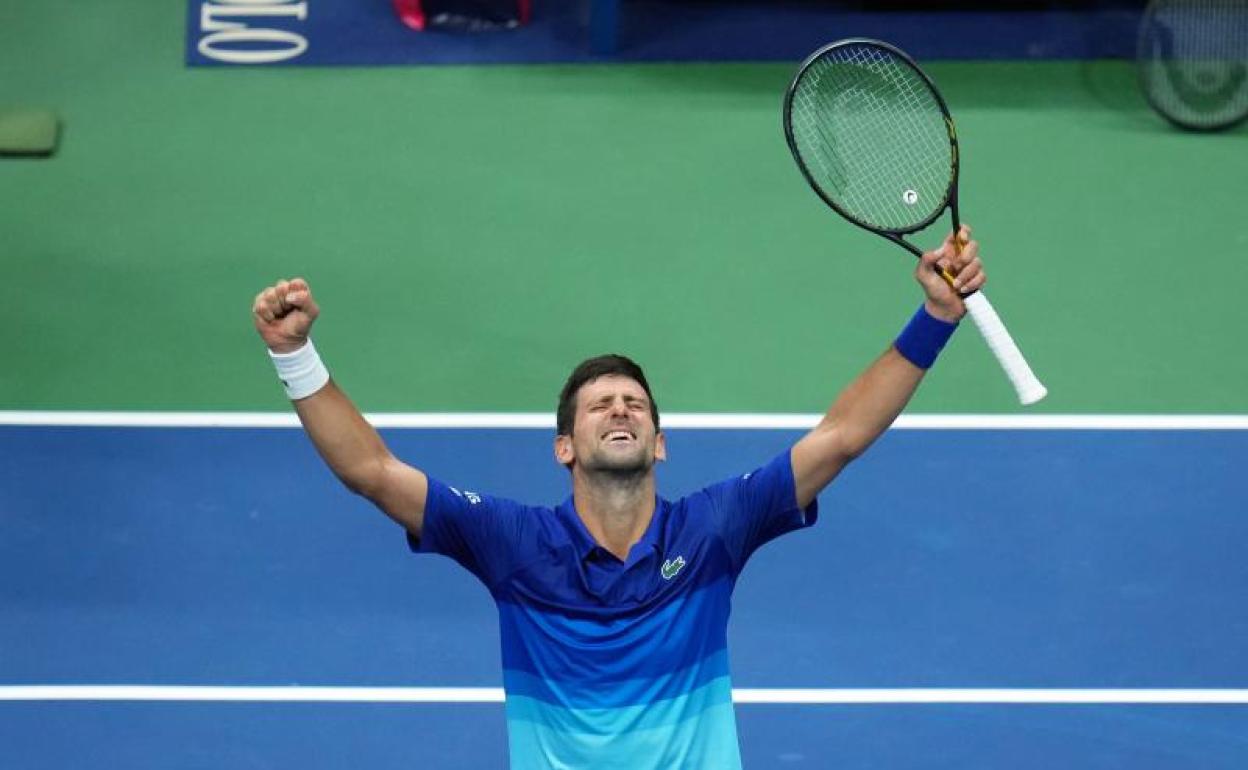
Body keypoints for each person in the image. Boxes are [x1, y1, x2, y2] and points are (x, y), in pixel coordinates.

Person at [251, 227, 985, 769]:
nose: (621, 409)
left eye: (635, 403)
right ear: (564, 447)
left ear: (659, 443)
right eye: (599, 405)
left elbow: (841, 438)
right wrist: (294, 354)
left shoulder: (713, 531)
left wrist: (936, 318)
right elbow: (372, 472)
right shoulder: (513, 545)